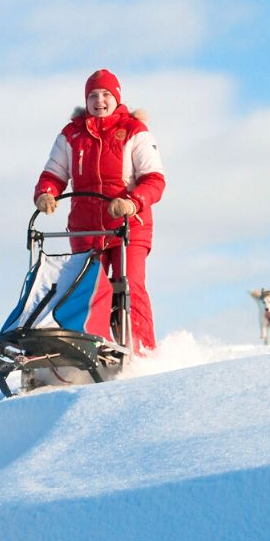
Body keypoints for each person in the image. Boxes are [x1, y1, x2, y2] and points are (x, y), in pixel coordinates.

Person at [33, 69, 166, 352]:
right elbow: (54, 174)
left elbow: (154, 179)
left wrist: (132, 202)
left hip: (128, 226)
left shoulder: (134, 131)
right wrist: (46, 194)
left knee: (129, 285)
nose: (100, 100)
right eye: (93, 95)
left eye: (106, 94)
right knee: (85, 290)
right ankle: (86, 349)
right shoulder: (72, 134)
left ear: (116, 97)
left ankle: (141, 352)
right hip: (86, 229)